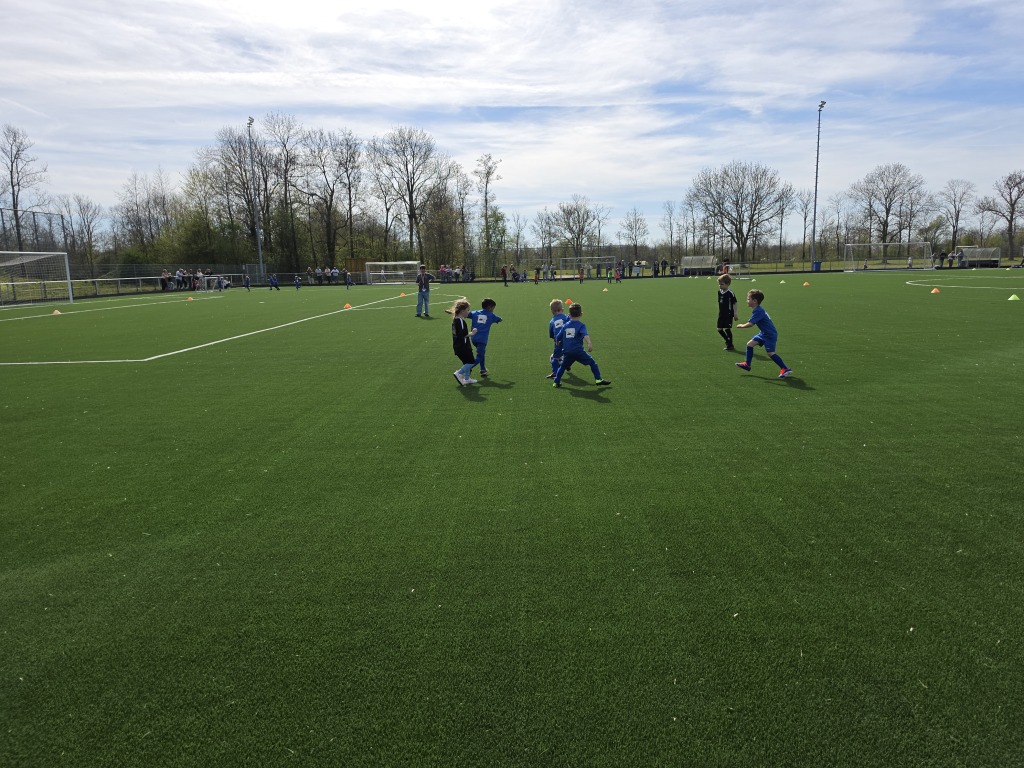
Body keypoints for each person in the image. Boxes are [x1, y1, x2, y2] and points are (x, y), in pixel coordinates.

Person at [735, 289, 792, 378]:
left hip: (770, 335)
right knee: (750, 344)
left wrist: (742, 325)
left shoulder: (758, 311)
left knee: (770, 353)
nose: (747, 300)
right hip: (763, 333)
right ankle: (747, 364)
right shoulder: (757, 310)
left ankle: (785, 368)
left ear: (755, 301)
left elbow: (751, 324)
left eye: (748, 299)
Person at [552, 303, 611, 388]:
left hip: (567, 352)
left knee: (563, 366)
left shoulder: (565, 326)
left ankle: (556, 382)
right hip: (578, 351)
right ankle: (598, 379)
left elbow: (558, 337)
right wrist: (589, 343)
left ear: (569, 315)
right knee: (592, 363)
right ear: (581, 314)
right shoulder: (581, 325)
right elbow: (585, 335)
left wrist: (557, 342)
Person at [445, 299, 478, 386]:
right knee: (471, 362)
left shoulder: (456, 320)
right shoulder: (460, 321)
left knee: (467, 362)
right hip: (463, 346)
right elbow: (462, 335)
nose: (468, 312)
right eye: (467, 310)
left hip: (458, 346)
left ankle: (467, 379)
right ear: (462, 311)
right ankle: (459, 373)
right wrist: (472, 333)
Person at [469, 298, 502, 377]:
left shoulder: (475, 313)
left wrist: (454, 312)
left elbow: (465, 314)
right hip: (482, 340)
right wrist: (500, 319)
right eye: (493, 308)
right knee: (480, 356)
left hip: (473, 338)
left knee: (481, 353)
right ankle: (466, 368)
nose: (493, 310)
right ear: (489, 307)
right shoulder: (491, 315)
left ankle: (483, 369)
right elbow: (499, 319)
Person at [547, 299, 570, 379]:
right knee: (568, 354)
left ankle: (555, 373)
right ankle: (566, 364)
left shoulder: (552, 321)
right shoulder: (567, 317)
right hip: (569, 340)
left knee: (555, 357)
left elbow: (551, 334)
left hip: (558, 341)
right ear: (562, 310)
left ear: (552, 311)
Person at [717, 273, 739, 351]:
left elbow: (735, 303)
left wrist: (735, 313)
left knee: (727, 328)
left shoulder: (730, 293)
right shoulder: (719, 291)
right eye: (719, 284)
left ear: (727, 284)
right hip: (721, 314)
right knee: (719, 329)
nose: (720, 286)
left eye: (722, 284)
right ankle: (727, 340)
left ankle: (730, 345)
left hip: (728, 314)